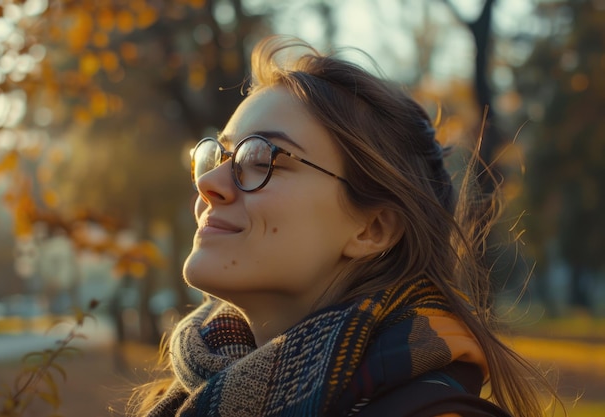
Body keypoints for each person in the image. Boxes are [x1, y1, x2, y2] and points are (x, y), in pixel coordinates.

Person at [131, 35, 559, 417]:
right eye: (217, 157)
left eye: (261, 160)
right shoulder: (184, 399)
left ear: (372, 229)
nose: (208, 184)